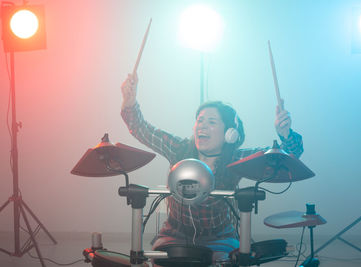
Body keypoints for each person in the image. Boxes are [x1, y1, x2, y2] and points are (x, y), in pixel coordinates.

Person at [120, 72, 303, 264]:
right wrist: (129, 102)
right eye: (199, 120)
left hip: (220, 236)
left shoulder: (235, 159)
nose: (202, 126)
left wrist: (286, 134)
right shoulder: (179, 149)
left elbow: (283, 155)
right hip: (174, 234)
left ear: (229, 133)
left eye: (211, 122)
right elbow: (140, 128)